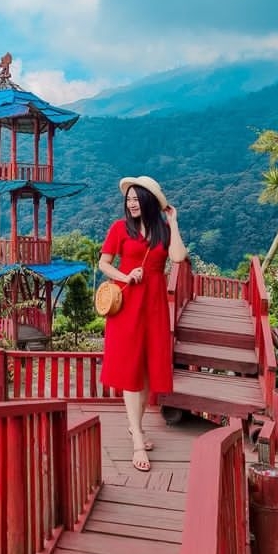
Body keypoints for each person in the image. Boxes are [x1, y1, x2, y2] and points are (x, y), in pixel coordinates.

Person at [98, 175, 188, 472]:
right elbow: (104, 263)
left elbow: (178, 257)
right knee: (130, 367)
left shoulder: (162, 230)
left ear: (149, 201)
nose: (132, 204)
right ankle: (137, 437)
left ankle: (134, 425)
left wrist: (173, 222)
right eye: (129, 200)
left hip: (154, 306)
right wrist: (126, 276)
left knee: (148, 367)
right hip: (127, 305)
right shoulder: (119, 228)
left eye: (137, 199)